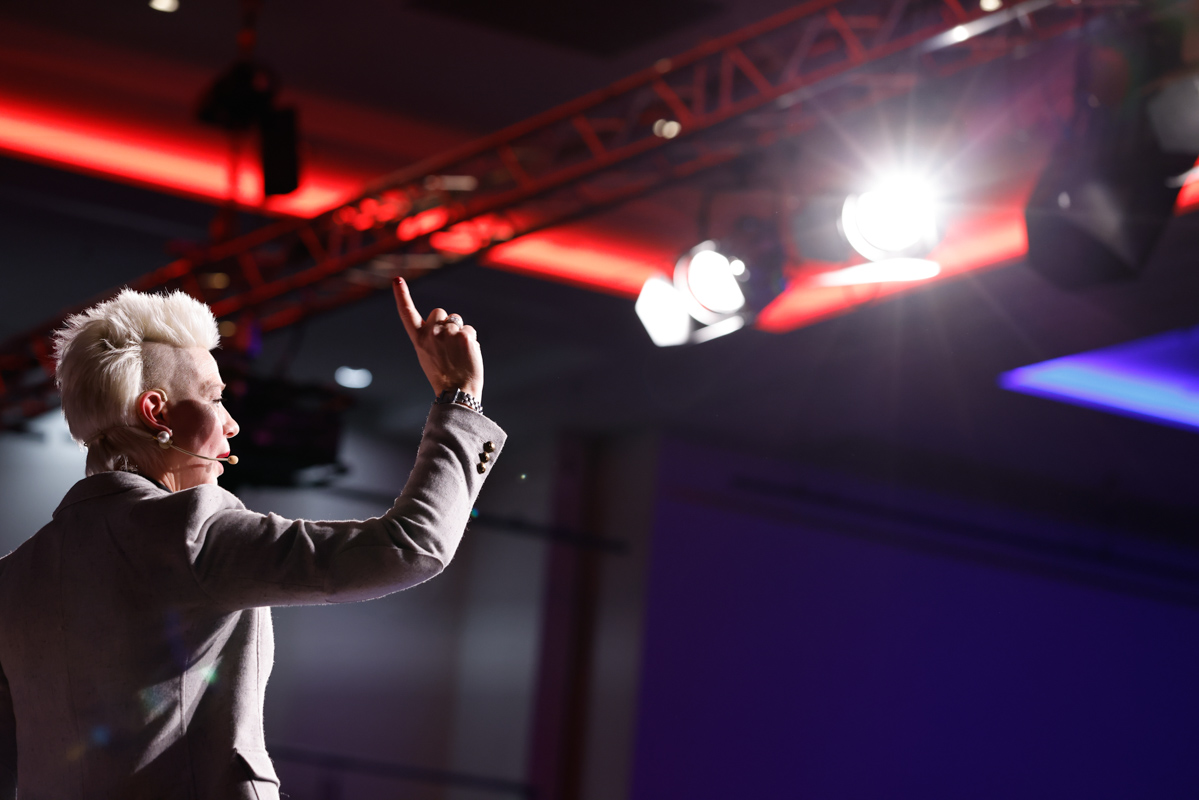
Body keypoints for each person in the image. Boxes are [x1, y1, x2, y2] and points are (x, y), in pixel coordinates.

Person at [0, 277, 503, 799]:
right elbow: (412, 546)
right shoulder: (191, 531)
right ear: (156, 413)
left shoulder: (11, 579)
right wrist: (460, 397)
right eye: (215, 398)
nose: (231, 424)